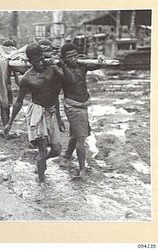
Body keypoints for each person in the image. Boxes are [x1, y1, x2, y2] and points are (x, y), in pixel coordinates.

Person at [4, 43, 65, 183]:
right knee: (42, 149)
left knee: (57, 149)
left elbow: (56, 93)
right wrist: (10, 123)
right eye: (35, 60)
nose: (40, 62)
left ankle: (40, 163)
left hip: (51, 111)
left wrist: (59, 118)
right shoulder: (27, 77)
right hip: (37, 113)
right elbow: (19, 101)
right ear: (30, 61)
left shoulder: (51, 70)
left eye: (41, 58)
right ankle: (41, 180)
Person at [57, 43, 105, 179]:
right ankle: (82, 169)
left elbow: (97, 65)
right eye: (69, 57)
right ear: (64, 58)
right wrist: (62, 64)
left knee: (76, 133)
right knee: (81, 137)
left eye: (75, 55)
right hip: (72, 106)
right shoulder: (61, 69)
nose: (73, 59)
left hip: (83, 105)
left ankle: (66, 156)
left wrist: (100, 59)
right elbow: (70, 79)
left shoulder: (82, 64)